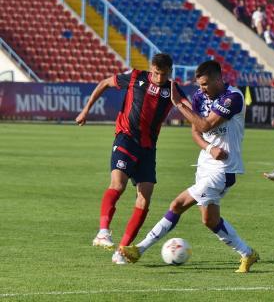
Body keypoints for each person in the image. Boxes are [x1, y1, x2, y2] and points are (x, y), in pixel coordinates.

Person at [120, 60, 259, 273]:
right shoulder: (199, 98)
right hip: (205, 165)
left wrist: (178, 104)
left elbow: (206, 125)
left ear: (218, 79)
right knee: (210, 220)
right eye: (199, 85)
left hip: (223, 169)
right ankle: (248, 254)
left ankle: (139, 249)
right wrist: (209, 147)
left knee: (177, 204)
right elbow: (196, 131)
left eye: (205, 84)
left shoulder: (233, 98)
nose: (201, 88)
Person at [75, 53, 189, 264]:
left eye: (164, 75)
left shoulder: (173, 89)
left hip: (148, 148)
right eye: (156, 73)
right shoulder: (135, 76)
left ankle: (122, 250)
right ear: (150, 68)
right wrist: (86, 110)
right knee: (118, 185)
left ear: (170, 72)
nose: (159, 78)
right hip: (126, 138)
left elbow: (190, 109)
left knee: (144, 200)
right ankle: (102, 232)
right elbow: (104, 83)